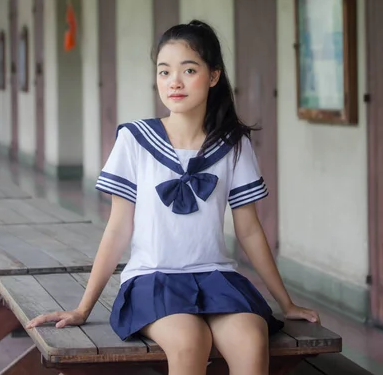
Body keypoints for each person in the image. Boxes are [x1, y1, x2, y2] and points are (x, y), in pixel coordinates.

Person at [27, 20, 319, 375]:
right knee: (189, 342)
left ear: (213, 76)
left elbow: (250, 231)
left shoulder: (233, 144)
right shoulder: (135, 140)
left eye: (189, 70)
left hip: (216, 278)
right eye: (164, 72)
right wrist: (83, 308)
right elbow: (118, 229)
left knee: (251, 341)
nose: (174, 82)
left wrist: (285, 302)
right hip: (153, 279)